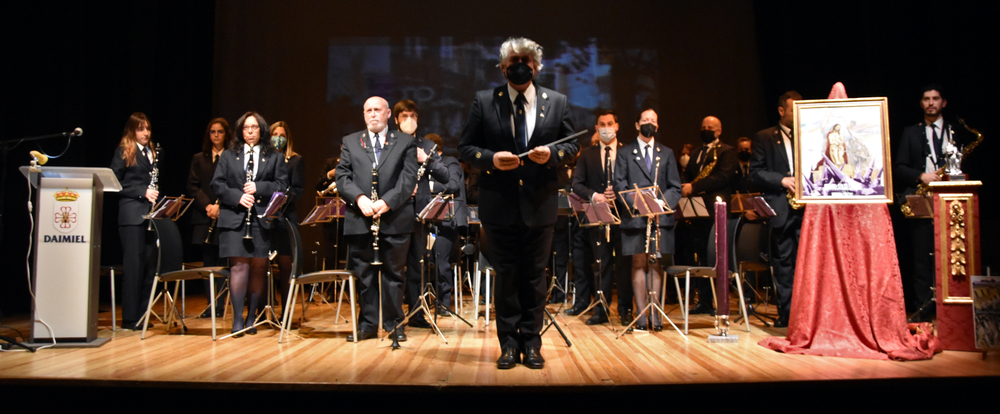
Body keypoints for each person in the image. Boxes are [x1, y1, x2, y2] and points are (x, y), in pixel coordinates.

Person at [458, 37, 578, 370]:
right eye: (513, 60)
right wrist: (491, 159)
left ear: (537, 66)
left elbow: (571, 147)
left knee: (534, 279)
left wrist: (553, 155)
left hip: (539, 206)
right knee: (507, 278)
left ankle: (533, 343)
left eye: (525, 59)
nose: (519, 64)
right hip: (499, 206)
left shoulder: (557, 101)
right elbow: (466, 148)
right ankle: (508, 345)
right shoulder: (484, 101)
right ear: (502, 66)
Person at [335, 96, 418, 342]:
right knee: (364, 274)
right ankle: (368, 325)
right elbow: (342, 177)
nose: (372, 114)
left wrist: (386, 202)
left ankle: (395, 324)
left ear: (387, 113)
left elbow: (408, 178)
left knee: (394, 274)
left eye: (377, 110)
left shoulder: (404, 141)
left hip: (395, 217)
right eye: (368, 110)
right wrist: (360, 199)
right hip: (361, 216)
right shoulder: (350, 141)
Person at [211, 111, 288, 336]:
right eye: (246, 128)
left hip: (261, 218)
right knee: (239, 266)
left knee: (258, 267)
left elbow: (282, 184)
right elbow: (217, 183)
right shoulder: (228, 155)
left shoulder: (273, 156)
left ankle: (251, 316)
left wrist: (260, 187)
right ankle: (237, 319)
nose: (250, 131)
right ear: (240, 131)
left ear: (261, 130)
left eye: (254, 127)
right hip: (235, 217)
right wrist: (238, 197)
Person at [613, 108, 682, 331]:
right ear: (637, 124)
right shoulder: (625, 152)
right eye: (645, 120)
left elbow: (675, 187)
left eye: (653, 120)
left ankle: (656, 314)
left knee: (656, 263)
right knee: (638, 263)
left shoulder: (667, 153)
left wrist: (660, 205)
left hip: (660, 218)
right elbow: (620, 184)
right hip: (635, 217)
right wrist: (640, 204)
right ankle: (641, 315)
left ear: (657, 126)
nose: (649, 123)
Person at [894, 85, 958, 322]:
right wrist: (922, 177)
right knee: (922, 257)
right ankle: (923, 310)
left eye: (935, 99)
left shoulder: (955, 131)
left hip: (950, 198)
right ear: (921, 103)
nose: (931, 103)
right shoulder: (911, 132)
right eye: (926, 99)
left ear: (944, 102)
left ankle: (949, 310)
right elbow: (899, 167)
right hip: (921, 198)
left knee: (950, 256)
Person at [569, 110, 634, 325]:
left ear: (617, 126)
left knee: (624, 265)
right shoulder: (587, 154)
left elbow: (635, 182)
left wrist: (620, 192)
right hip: (598, 215)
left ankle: (625, 310)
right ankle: (601, 309)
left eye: (609, 124)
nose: (606, 128)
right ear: (597, 128)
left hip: (624, 215)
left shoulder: (628, 153)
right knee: (600, 263)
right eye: (601, 125)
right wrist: (594, 195)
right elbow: (577, 184)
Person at [750, 90, 803, 328]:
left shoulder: (810, 134)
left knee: (810, 262)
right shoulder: (764, 137)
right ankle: (788, 314)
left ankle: (809, 313)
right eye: (794, 110)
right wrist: (783, 180)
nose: (799, 114)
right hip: (782, 208)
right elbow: (756, 172)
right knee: (785, 263)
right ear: (782, 111)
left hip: (809, 210)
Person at [396, 99, 450, 329]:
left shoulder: (427, 146)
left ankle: (417, 313)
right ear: (396, 119)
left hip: (419, 213)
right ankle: (395, 315)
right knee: (396, 266)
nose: (410, 120)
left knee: (418, 265)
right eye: (405, 116)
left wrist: (424, 160)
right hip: (395, 212)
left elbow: (445, 175)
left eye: (413, 116)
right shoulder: (388, 143)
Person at [681, 116, 737, 316]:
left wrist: (694, 186)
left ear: (719, 130)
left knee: (716, 257)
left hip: (717, 212)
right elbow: (687, 175)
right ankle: (704, 301)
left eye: (710, 128)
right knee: (701, 256)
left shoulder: (727, 151)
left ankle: (719, 301)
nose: (706, 130)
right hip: (698, 212)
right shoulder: (696, 152)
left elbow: (723, 177)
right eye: (703, 127)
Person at [110, 112, 159, 331]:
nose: (145, 133)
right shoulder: (124, 151)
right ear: (132, 131)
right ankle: (130, 318)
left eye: (147, 128)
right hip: (131, 215)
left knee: (150, 267)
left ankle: (143, 315)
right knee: (133, 267)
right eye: (140, 129)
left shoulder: (153, 152)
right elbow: (114, 183)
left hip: (150, 216)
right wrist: (142, 192)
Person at [187, 118, 229, 318]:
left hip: (224, 215)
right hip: (205, 216)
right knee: (207, 262)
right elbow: (193, 186)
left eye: (220, 131)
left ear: (226, 134)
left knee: (222, 261)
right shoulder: (199, 158)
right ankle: (211, 305)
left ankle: (221, 305)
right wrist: (208, 206)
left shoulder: (231, 157)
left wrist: (220, 206)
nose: (216, 135)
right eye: (212, 132)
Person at [424, 133, 467, 314]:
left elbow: (453, 185)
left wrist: (428, 188)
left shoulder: (450, 162)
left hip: (447, 221)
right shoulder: (424, 165)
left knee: (442, 263)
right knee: (426, 261)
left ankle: (444, 303)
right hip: (428, 220)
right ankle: (427, 300)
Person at [268, 121, 305, 310]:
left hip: (284, 219)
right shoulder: (264, 159)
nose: (278, 138)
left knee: (285, 267)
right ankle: (262, 310)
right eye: (274, 134)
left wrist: (279, 203)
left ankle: (286, 312)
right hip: (266, 219)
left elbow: (297, 189)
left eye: (281, 135)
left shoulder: (295, 160)